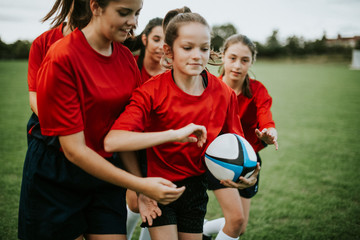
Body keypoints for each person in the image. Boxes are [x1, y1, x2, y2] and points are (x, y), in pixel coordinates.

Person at [18, 0, 185, 239]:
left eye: (137, 13)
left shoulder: (127, 59)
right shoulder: (62, 56)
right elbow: (74, 150)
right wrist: (140, 185)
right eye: (124, 13)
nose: (133, 22)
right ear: (96, 7)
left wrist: (141, 186)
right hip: (57, 176)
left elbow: (125, 132)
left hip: (105, 174)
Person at [104, 7, 260, 240]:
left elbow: (234, 144)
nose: (197, 55)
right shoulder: (150, 92)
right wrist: (142, 187)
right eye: (187, 48)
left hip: (195, 189)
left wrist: (246, 170)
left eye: (204, 48)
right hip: (158, 187)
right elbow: (115, 140)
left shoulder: (224, 94)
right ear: (169, 50)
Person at [203, 34, 278, 240]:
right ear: (223, 57)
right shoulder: (210, 88)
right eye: (232, 58)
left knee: (241, 226)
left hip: (249, 161)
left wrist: (269, 132)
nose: (237, 65)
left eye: (244, 60)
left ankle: (201, 230)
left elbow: (266, 118)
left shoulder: (257, 89)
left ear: (251, 62)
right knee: (235, 221)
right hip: (219, 160)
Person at [122, 17, 166, 240]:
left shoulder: (171, 73)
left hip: (159, 144)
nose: (160, 46)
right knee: (133, 201)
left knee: (156, 202)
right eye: (156, 39)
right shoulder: (130, 64)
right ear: (145, 38)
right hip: (130, 140)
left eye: (165, 40)